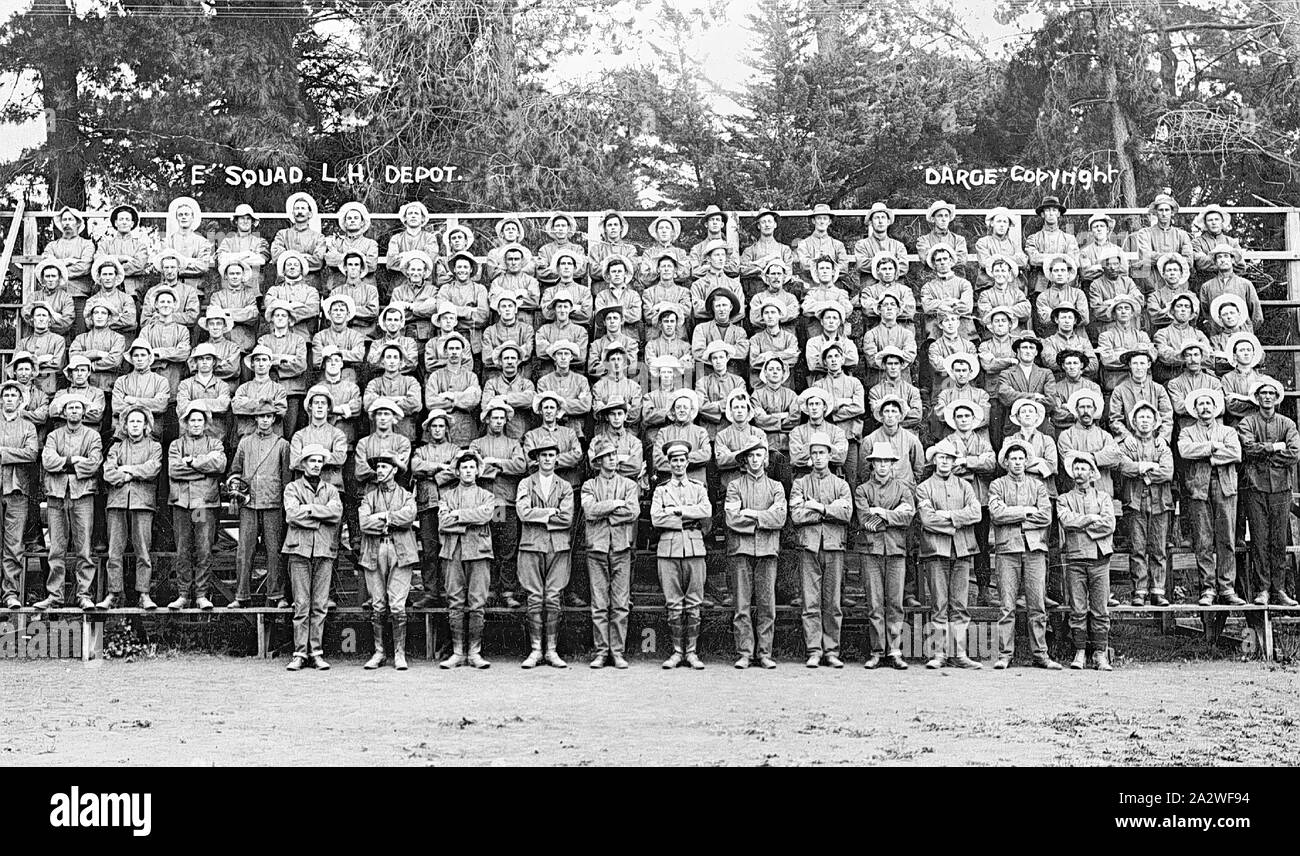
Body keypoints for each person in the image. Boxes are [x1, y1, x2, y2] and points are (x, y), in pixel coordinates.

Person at [989, 439, 1059, 669]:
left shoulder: (1038, 486)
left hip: (1034, 549)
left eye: (1021, 459)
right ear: (1006, 462)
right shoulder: (997, 485)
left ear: (1026, 461)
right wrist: (1027, 511)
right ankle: (1005, 654)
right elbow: (997, 515)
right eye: (1013, 459)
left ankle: (1041, 654)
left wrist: (1015, 517)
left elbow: (1045, 517)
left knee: (1036, 603)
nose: (1017, 463)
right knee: (1007, 605)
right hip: (1008, 549)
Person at [916, 437, 984, 668]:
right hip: (936, 551)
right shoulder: (924, 487)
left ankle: (960, 654)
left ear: (955, 461)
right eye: (941, 457)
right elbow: (927, 520)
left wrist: (948, 515)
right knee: (939, 603)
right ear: (934, 459)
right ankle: (939, 654)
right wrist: (956, 522)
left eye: (949, 458)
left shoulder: (965, 486)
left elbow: (976, 513)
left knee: (960, 604)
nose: (945, 461)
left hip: (963, 550)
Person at [1176, 387, 1246, 606]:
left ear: (1215, 408)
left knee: (1226, 539)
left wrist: (1213, 458)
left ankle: (1227, 587)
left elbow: (1236, 453)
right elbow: (1185, 451)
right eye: (1201, 405)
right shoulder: (1187, 431)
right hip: (1199, 488)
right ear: (1195, 410)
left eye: (1208, 404)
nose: (1205, 408)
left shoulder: (1228, 432)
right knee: (1203, 540)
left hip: (1225, 487)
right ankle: (1207, 588)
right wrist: (1213, 447)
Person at [789, 432, 853, 668]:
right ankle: (814, 650)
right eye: (814, 453)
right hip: (809, 545)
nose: (818, 457)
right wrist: (830, 510)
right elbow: (796, 515)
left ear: (829, 455)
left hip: (834, 545)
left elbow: (846, 514)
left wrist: (817, 507)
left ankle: (832, 650)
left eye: (822, 453)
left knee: (832, 601)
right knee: (810, 601)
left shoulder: (841, 484)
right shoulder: (800, 484)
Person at [724, 437, 787, 670]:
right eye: (750, 455)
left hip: (768, 550)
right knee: (742, 604)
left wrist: (750, 513)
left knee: (766, 604)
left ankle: (764, 653)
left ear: (765, 458)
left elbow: (779, 518)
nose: (754, 460)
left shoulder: (776, 487)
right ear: (744, 460)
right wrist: (763, 516)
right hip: (741, 549)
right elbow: (732, 518)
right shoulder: (734, 486)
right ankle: (744, 653)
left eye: (758, 455)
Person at [34, 394, 102, 610]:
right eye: (70, 408)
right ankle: (55, 596)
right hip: (56, 494)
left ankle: (84, 595)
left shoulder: (93, 436)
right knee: (56, 549)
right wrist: (73, 460)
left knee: (84, 547)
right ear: (63, 413)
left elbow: (93, 464)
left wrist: (63, 465)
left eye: (77, 408)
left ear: (83, 412)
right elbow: (48, 461)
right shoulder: (54, 436)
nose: (74, 411)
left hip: (82, 495)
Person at [1237, 377, 1300, 605]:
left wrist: (1266, 456)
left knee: (1278, 540)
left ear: (1277, 398)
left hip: (1281, 488)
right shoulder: (1247, 422)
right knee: (1260, 539)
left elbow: (1294, 453)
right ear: (1257, 397)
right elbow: (1249, 450)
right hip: (1254, 486)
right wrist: (1273, 447)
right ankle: (1262, 589)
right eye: (1263, 393)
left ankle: (1279, 589)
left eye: (1271, 393)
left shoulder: (1287, 424)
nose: (1267, 397)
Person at [652, 439, 712, 670]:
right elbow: (657, 518)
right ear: (669, 464)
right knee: (674, 603)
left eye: (682, 460)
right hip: (668, 548)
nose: (678, 464)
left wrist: (677, 511)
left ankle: (692, 652)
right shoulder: (661, 490)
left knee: (694, 602)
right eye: (674, 460)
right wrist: (688, 516)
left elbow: (705, 511)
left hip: (695, 546)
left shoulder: (698, 488)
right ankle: (677, 652)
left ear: (688, 462)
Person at [855, 441, 915, 670]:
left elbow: (908, 518)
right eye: (878, 461)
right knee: (875, 603)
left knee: (895, 602)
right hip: (871, 550)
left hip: (896, 550)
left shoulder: (903, 489)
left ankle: (895, 650)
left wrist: (880, 512)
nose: (882, 466)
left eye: (886, 462)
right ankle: (877, 651)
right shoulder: (862, 490)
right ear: (872, 464)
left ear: (892, 465)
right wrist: (893, 514)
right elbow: (866, 522)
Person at [281, 444, 342, 671]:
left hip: (324, 551)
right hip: (298, 550)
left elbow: (335, 514)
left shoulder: (332, 490)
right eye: (311, 461)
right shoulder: (292, 488)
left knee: (319, 605)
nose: (316, 465)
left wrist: (308, 510)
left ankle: (316, 653)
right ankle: (299, 653)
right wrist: (319, 514)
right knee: (302, 604)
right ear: (303, 464)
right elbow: (292, 515)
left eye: (319, 461)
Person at [582, 436, 640, 670]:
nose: (612, 459)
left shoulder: (629, 485)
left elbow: (633, 512)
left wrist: (607, 510)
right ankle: (601, 651)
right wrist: (616, 504)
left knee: (620, 603)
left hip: (620, 547)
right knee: (599, 603)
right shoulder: (589, 485)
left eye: (614, 455)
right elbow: (590, 511)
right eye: (607, 456)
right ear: (598, 461)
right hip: (596, 547)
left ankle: (617, 652)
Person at [516, 442, 576, 668]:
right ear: (537, 459)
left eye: (552, 455)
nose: (548, 459)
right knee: (534, 598)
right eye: (544, 455)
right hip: (531, 544)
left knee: (552, 598)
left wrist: (538, 515)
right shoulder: (525, 483)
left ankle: (551, 650)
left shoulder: (565, 487)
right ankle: (535, 651)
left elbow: (567, 519)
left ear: (557, 459)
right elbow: (523, 513)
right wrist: (551, 512)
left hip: (557, 547)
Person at [358, 450, 419, 670]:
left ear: (394, 470)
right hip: (374, 550)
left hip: (401, 550)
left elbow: (408, 517)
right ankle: (379, 652)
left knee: (397, 604)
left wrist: (383, 517)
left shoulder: (407, 495)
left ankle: (399, 653)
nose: (380, 471)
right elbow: (364, 523)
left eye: (385, 467)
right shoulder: (368, 496)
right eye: (378, 467)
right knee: (378, 604)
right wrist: (393, 518)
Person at [437, 448, 498, 669]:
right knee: (455, 601)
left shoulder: (487, 495)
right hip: (453, 551)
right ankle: (457, 652)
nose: (468, 471)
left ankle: (474, 652)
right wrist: (469, 517)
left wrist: (458, 515)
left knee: (477, 603)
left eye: (472, 467)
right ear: (458, 471)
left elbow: (485, 515)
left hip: (479, 551)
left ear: (478, 471)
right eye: (464, 467)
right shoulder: (447, 496)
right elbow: (443, 523)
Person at [1057, 451, 1116, 670]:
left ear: (1092, 474)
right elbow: (1066, 521)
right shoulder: (1064, 499)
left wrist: (1082, 526)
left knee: (1100, 608)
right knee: (1078, 609)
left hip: (1100, 559)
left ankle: (1100, 654)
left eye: (1084, 469)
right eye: (1077, 468)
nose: (1080, 472)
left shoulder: (1103, 498)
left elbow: (1109, 524)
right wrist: (1091, 518)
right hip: (1076, 558)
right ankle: (1080, 652)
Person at [99, 405, 162, 609]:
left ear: (145, 426)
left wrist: (128, 470)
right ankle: (113, 593)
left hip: (142, 503)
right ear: (125, 425)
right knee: (114, 551)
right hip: (117, 502)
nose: (135, 425)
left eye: (139, 422)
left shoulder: (154, 447)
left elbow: (152, 469)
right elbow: (108, 473)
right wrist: (131, 474)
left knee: (143, 551)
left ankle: (144, 594)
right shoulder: (116, 447)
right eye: (131, 421)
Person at [227, 407, 291, 609]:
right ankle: (241, 595)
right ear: (255, 418)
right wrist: (235, 487)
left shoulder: (282, 445)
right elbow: (234, 471)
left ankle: (277, 595)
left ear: (274, 419)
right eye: (261, 416)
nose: (265, 420)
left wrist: (285, 506)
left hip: (273, 504)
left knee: (275, 552)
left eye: (268, 417)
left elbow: (286, 479)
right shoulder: (245, 443)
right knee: (244, 551)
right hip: (249, 504)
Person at [166, 401, 227, 610]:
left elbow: (219, 465)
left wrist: (191, 462)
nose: (196, 424)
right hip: (182, 504)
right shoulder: (176, 445)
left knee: (203, 548)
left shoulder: (215, 444)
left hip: (202, 505)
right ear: (185, 422)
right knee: (183, 549)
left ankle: (201, 594)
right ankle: (183, 594)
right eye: (192, 420)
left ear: (206, 423)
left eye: (200, 420)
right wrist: (203, 466)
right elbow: (174, 470)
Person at [1117, 401, 1175, 606]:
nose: (1144, 421)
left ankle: (1158, 591)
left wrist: (1144, 474)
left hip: (1160, 502)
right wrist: (1145, 466)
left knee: (1158, 548)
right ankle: (1139, 591)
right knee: (1137, 547)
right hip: (1135, 502)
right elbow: (1123, 466)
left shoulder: (1162, 446)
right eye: (1140, 417)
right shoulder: (1127, 445)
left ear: (1155, 422)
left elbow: (1167, 472)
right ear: (1133, 421)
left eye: (1148, 418)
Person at [0, 381, 38, 609]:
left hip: (17, 490)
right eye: (6, 395)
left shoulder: (28, 427)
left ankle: (10, 593)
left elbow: (31, 454)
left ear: (21, 400)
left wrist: (3, 453)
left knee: (13, 545)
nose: (10, 398)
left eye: (15, 395)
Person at [1131, 194, 1193, 289]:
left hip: (1177, 284)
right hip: (1153, 283)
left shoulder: (1182, 234)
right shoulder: (1145, 233)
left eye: (1167, 210)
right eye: (1160, 210)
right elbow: (1146, 256)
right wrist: (1174, 256)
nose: (1164, 213)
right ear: (1155, 212)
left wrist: (1161, 257)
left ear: (1172, 212)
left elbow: (1188, 260)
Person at [271, 192, 327, 293]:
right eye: (297, 209)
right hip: (285, 286)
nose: (299, 212)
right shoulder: (282, 235)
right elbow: (276, 257)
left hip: (310, 285)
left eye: (303, 208)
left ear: (310, 214)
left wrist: (288, 257)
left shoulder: (318, 237)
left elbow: (318, 261)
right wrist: (305, 257)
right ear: (292, 213)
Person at [1024, 196, 1079, 294]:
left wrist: (1045, 258)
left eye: (1054, 210)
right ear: (1042, 214)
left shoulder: (1069, 239)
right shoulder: (1033, 238)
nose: (1051, 213)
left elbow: (1072, 260)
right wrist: (1062, 257)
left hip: (1064, 285)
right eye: (1047, 210)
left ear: (1058, 214)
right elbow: (1033, 259)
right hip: (1040, 286)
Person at [96, 203, 151, 299]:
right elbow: (98, 261)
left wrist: (111, 267)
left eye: (127, 220)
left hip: (133, 292)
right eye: (121, 219)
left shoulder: (140, 246)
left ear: (132, 223)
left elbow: (138, 265)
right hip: (108, 292)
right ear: (116, 223)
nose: (124, 222)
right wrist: (122, 258)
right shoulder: (105, 245)